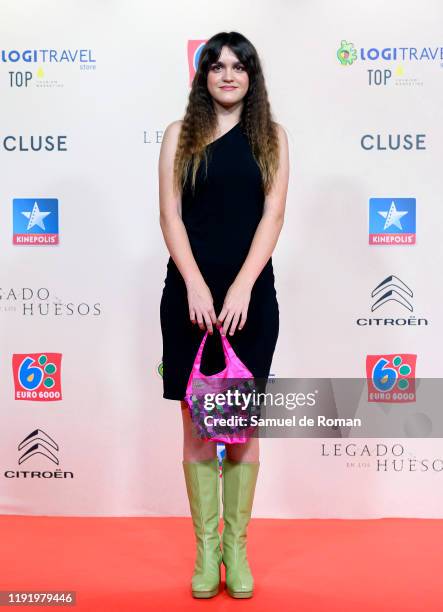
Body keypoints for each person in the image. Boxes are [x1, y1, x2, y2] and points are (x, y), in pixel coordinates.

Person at [158, 31, 289, 599]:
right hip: (188, 297)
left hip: (249, 300)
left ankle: (237, 549)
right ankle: (205, 552)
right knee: (195, 426)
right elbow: (170, 217)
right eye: (217, 65)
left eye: (239, 66)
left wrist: (240, 287)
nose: (228, 74)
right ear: (203, 75)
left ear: (252, 76)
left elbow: (273, 218)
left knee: (241, 429)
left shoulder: (273, 138)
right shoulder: (177, 136)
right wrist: (195, 283)